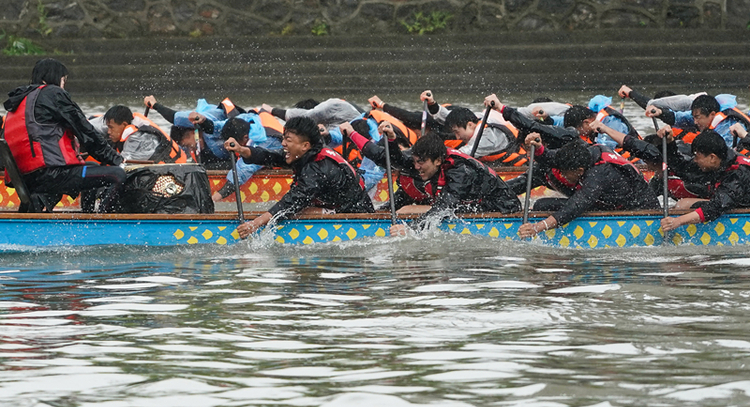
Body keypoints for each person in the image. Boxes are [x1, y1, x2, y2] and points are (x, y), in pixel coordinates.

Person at [3, 58, 126, 212]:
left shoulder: (19, 101)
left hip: (26, 178)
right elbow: (86, 132)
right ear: (49, 79)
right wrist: (117, 160)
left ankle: (85, 215)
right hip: (51, 175)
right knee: (117, 175)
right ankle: (100, 224)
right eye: (63, 80)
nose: (63, 85)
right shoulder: (53, 93)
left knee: (92, 167)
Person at [225, 116, 374, 238]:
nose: (283, 143)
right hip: (336, 205)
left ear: (305, 145)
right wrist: (242, 150)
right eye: (283, 138)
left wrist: (256, 223)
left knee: (296, 211)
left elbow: (292, 201)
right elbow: (272, 156)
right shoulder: (306, 153)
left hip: (355, 216)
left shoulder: (318, 168)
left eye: (288, 140)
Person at [368, 128, 521, 235]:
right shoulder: (435, 162)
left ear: (438, 161)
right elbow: (396, 160)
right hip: (470, 203)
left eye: (421, 162)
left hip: (503, 208)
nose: (416, 167)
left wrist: (410, 230)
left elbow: (444, 207)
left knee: (439, 209)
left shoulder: (461, 171)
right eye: (415, 162)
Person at [513, 135, 659, 238]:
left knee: (551, 206)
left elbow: (575, 206)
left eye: (565, 173)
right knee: (541, 204)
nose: (562, 177)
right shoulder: (585, 153)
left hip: (640, 211)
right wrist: (539, 149)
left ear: (580, 171)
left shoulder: (599, 174)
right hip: (609, 202)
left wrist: (538, 228)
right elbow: (555, 157)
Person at [661, 130, 750, 231]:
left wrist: (678, 221)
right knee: (682, 204)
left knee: (683, 205)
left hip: (743, 215)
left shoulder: (737, 173)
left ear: (712, 157)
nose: (694, 160)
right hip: (729, 203)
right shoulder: (716, 162)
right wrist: (669, 143)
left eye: (697, 156)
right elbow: (681, 168)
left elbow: (716, 207)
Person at [211, 117, 283, 202]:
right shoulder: (248, 120)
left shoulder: (265, 142)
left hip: (283, 164)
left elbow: (244, 169)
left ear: (245, 137)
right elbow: (220, 124)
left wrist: (216, 197)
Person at [646, 93, 750, 147]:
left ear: (712, 114)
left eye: (697, 117)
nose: (694, 122)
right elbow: (679, 118)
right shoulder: (704, 117)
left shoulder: (726, 129)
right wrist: (660, 113)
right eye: (694, 117)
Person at [103, 105, 186, 163]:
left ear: (124, 124)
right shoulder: (132, 130)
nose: (108, 131)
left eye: (111, 127)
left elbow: (122, 164)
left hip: (173, 171)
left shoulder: (137, 138)